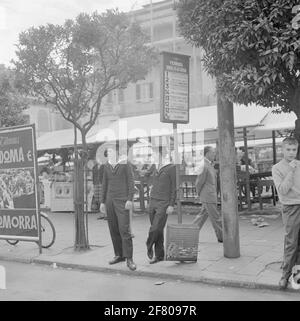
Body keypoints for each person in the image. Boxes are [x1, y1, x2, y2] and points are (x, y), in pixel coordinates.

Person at [100, 146, 137, 271]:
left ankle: (129, 258)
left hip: (122, 201)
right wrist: (102, 202)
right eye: (108, 152)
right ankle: (119, 255)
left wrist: (129, 199)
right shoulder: (106, 166)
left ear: (116, 152)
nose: (109, 154)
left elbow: (131, 181)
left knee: (124, 229)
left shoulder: (125, 164)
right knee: (113, 228)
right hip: (110, 200)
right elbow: (104, 183)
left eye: (111, 151)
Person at [272, 137, 300, 290]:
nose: (291, 153)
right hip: (290, 208)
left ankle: (297, 278)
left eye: (294, 150)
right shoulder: (277, 168)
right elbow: (282, 190)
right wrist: (291, 170)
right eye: (288, 149)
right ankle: (285, 275)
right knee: (291, 243)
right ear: (282, 150)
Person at [146, 148, 176, 264]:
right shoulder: (154, 166)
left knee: (156, 227)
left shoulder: (171, 167)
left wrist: (171, 204)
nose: (153, 156)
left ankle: (148, 244)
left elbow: (174, 187)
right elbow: (147, 177)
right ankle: (159, 255)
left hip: (164, 202)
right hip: (152, 200)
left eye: (154, 154)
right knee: (158, 230)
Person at [192, 146, 223, 242]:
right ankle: (222, 236)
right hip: (208, 196)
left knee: (202, 216)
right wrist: (199, 194)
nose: (214, 154)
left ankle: (190, 232)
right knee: (216, 217)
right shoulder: (204, 165)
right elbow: (199, 182)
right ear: (207, 153)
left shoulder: (209, 164)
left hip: (210, 195)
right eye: (213, 152)